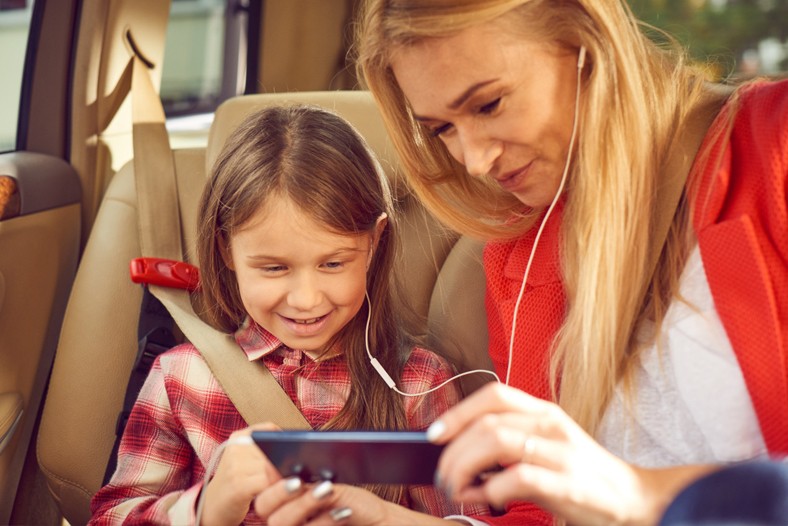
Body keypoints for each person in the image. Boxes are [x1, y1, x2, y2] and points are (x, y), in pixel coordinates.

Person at [252, 0, 788, 524]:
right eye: (442, 129)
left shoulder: (775, 147)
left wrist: (639, 494)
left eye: (489, 105)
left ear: (584, 39)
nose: (475, 160)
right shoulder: (522, 253)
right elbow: (535, 513)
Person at [89, 104, 490, 525]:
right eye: (274, 268)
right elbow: (111, 517)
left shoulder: (420, 384)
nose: (305, 299)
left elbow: (469, 517)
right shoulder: (182, 379)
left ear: (374, 243)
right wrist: (206, 508)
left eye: (332, 263)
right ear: (226, 250)